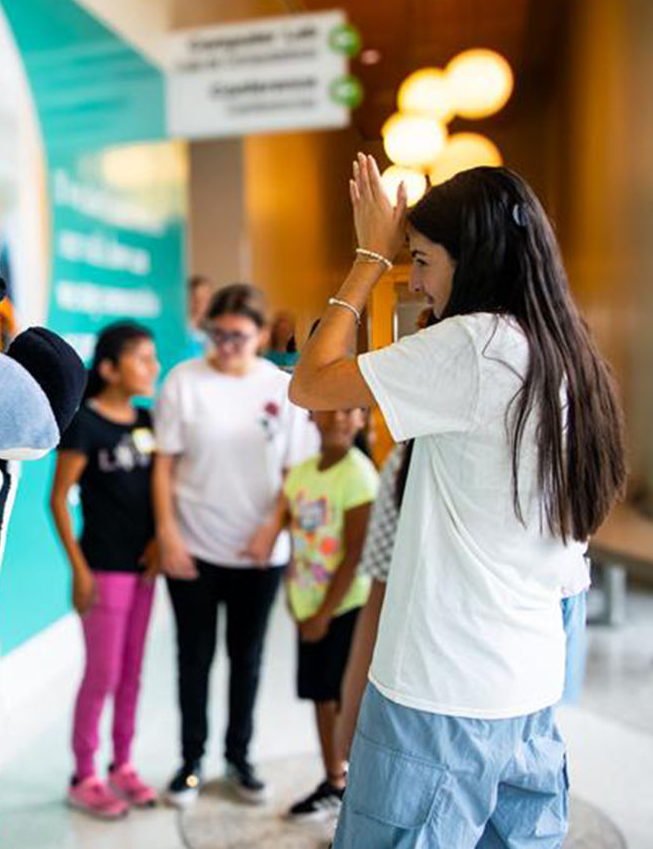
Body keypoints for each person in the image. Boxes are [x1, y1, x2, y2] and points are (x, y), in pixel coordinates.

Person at [291, 156, 625, 847]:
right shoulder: (567, 350)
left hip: (440, 691)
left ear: (469, 260)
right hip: (528, 688)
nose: (413, 279)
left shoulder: (475, 347)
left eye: (421, 260)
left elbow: (312, 383)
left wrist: (367, 258)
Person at [153, 284, 318, 808]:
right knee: (193, 659)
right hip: (194, 548)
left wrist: (276, 527)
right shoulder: (184, 381)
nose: (226, 345)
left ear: (261, 334)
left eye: (238, 336)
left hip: (259, 552)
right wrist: (168, 533)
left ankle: (239, 758)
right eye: (217, 334)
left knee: (247, 660)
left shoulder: (282, 387)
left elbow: (296, 469)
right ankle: (191, 761)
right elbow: (164, 464)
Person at [50, 321, 162, 820]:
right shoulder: (85, 424)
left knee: (133, 674)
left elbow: (158, 489)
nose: (153, 368)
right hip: (104, 570)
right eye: (142, 359)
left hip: (144, 571)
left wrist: (161, 540)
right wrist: (79, 570)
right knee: (103, 675)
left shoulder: (148, 421)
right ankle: (84, 775)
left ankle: (122, 764)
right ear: (112, 368)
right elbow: (58, 499)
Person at [269, 406, 378, 820]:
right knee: (318, 694)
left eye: (348, 410)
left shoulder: (359, 475)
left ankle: (352, 785)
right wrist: (296, 600)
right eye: (327, 409)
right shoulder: (301, 474)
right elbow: (293, 536)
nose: (336, 417)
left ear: (362, 419)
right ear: (311, 416)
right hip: (307, 605)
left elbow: (354, 553)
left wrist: (323, 614)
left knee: (341, 696)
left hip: (343, 608)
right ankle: (333, 779)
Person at [180, 275, 213, 362]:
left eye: (205, 298)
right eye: (196, 298)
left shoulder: (211, 328)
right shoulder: (180, 328)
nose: (201, 303)